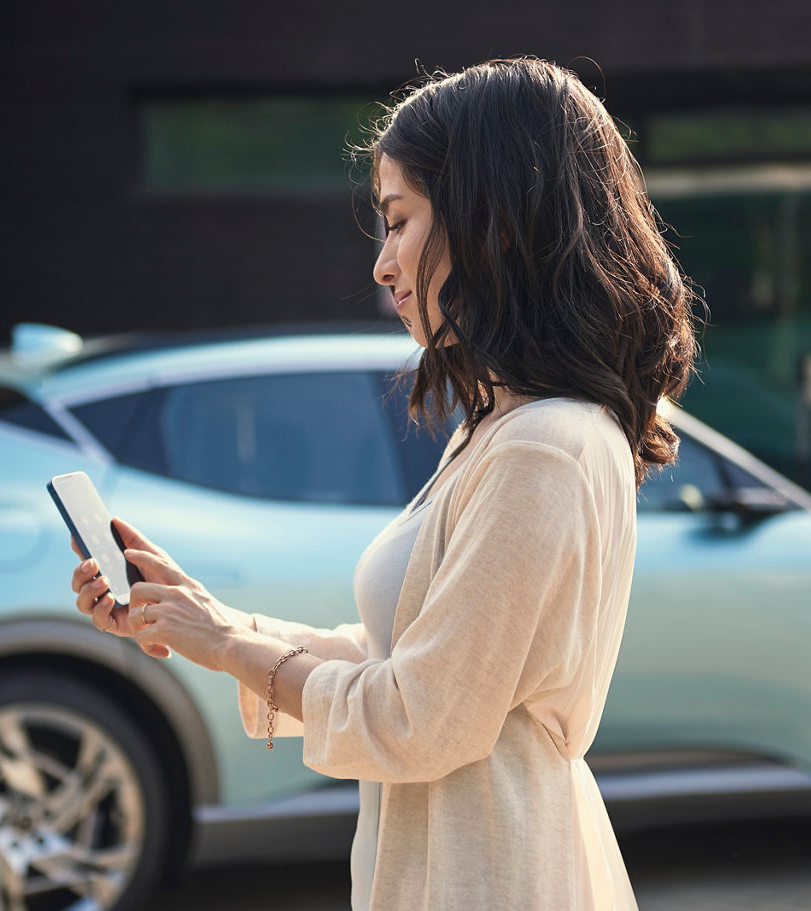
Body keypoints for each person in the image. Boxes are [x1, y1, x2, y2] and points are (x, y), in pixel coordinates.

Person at [70, 56, 698, 910]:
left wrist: (229, 646)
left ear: (495, 222)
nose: (382, 263)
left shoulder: (543, 444)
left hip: (490, 875)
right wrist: (212, 623)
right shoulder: (503, 428)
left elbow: (420, 716)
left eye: (400, 222)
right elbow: (411, 664)